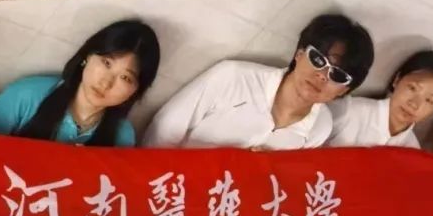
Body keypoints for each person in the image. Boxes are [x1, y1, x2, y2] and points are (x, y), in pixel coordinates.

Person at [142, 14, 374, 150]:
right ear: (299, 54)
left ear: (344, 91)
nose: (322, 75)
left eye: (338, 75)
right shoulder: (232, 77)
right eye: (318, 59)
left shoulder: (320, 127)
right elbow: (162, 133)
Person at [0, 20, 160, 147]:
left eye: (125, 78)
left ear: (136, 91)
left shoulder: (123, 135)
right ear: (87, 56)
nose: (106, 82)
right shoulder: (28, 94)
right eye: (106, 63)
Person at [326, 50, 433, 149]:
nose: (414, 104)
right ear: (397, 80)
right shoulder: (349, 111)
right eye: (412, 88)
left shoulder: (412, 151)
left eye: (429, 100)